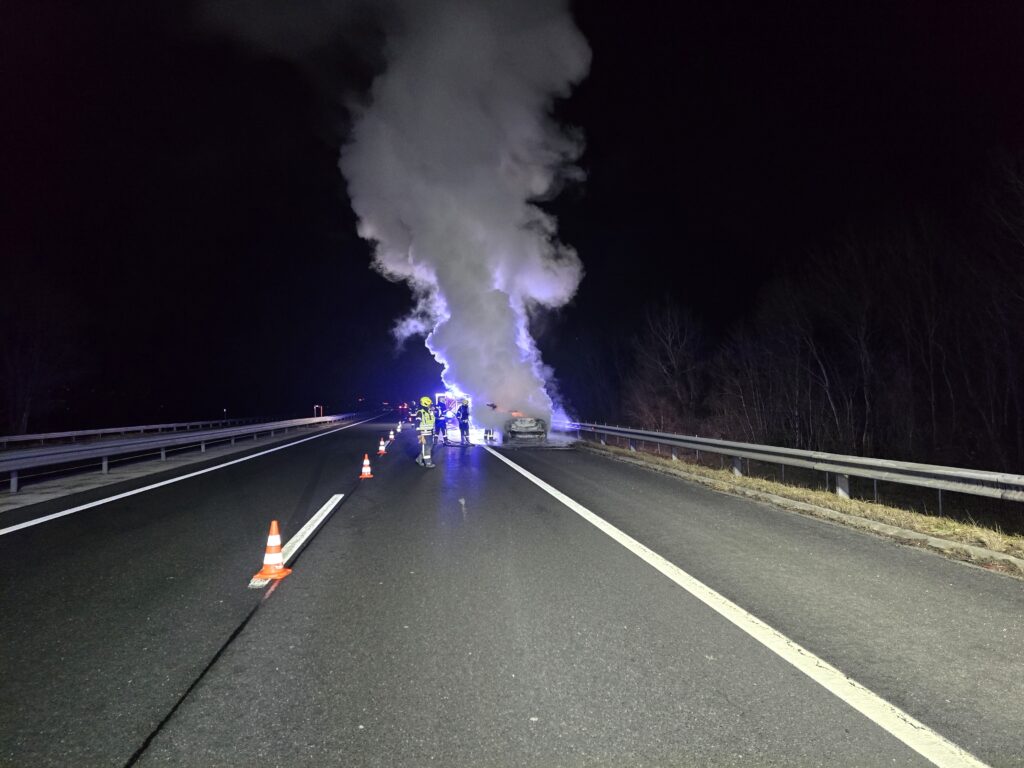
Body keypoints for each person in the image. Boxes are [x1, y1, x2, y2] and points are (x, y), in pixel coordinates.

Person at [415, 396, 436, 468]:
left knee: (429, 447)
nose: (431, 405)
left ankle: (419, 459)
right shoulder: (420, 412)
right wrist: (419, 435)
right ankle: (428, 463)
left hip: (430, 433)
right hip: (423, 434)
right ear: (425, 403)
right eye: (429, 404)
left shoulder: (430, 412)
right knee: (426, 448)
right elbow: (417, 424)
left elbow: (432, 423)